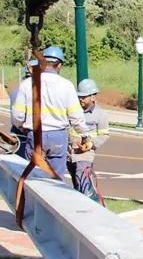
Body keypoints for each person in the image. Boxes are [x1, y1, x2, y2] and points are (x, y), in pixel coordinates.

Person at [10, 47, 88, 181]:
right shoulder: (66, 85)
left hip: (34, 135)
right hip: (58, 136)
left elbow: (17, 116)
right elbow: (76, 116)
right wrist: (84, 135)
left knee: (32, 176)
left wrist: (21, 127)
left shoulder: (27, 84)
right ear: (59, 65)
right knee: (56, 178)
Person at [68, 78, 110, 203]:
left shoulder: (100, 114)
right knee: (76, 183)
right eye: (79, 96)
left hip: (86, 153)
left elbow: (104, 135)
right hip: (69, 152)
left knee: (83, 181)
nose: (81, 99)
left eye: (84, 97)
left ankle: (91, 207)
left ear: (93, 97)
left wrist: (91, 144)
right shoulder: (74, 111)